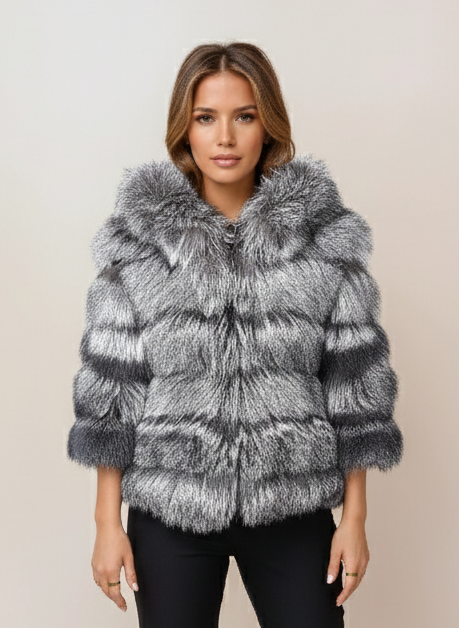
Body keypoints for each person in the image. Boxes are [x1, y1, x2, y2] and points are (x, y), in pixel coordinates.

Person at [66, 42, 404, 628]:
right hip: (170, 508)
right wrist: (106, 524)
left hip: (292, 504)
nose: (225, 137)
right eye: (206, 118)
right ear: (185, 130)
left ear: (268, 125)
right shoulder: (140, 248)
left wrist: (355, 518)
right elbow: (111, 399)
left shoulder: (322, 242)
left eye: (244, 116)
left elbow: (357, 391)